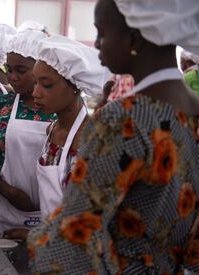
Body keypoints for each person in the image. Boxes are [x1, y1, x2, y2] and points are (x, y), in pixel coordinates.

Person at [27, 0, 199, 273]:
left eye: (102, 32)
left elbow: (75, 234)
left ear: (133, 38)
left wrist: (35, 243)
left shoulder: (123, 118)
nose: (97, 44)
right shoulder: (193, 111)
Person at [4, 35, 108, 240]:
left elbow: (91, 223)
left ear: (76, 86)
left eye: (47, 85)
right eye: (35, 83)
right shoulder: (52, 130)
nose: (36, 93)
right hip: (51, 244)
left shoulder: (89, 140)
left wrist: (36, 237)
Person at [0, 30, 56, 235]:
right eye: (9, 69)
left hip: (50, 215)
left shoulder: (60, 111)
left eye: (21, 70)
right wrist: (8, 192)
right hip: (2, 209)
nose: (12, 77)